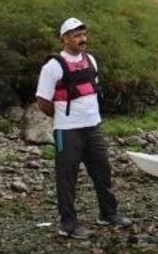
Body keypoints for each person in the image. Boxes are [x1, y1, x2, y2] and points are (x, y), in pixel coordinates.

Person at [35, 18, 133, 240]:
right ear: (65, 38)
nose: (82, 39)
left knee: (102, 171)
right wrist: (60, 116)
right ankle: (68, 224)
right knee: (67, 177)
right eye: (77, 35)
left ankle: (108, 214)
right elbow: (42, 100)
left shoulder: (91, 60)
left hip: (93, 127)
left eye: (83, 34)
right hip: (67, 130)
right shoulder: (52, 66)